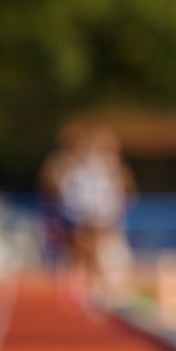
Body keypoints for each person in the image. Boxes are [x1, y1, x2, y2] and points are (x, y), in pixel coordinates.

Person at [39, 124, 136, 306]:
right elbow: (67, 191)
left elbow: (126, 192)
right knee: (82, 252)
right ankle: (83, 288)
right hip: (82, 217)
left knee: (107, 256)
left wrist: (113, 209)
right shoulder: (72, 166)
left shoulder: (112, 170)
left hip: (106, 220)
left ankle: (106, 291)